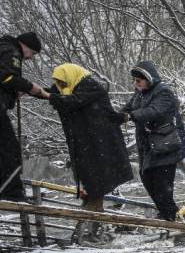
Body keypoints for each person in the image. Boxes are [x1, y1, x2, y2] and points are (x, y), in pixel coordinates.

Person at [47, 64, 132, 213]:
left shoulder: (90, 87)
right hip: (87, 141)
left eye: (62, 82)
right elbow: (58, 95)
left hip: (100, 141)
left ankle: (95, 209)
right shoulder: (74, 88)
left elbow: (72, 101)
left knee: (96, 173)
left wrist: (47, 95)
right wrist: (31, 90)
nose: (60, 86)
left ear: (71, 77)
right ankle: (92, 208)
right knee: (88, 173)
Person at [118, 61, 185, 221]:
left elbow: (153, 111)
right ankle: (168, 215)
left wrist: (131, 116)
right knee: (147, 180)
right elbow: (128, 108)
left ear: (148, 78)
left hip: (165, 146)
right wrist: (115, 116)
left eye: (138, 81)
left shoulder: (164, 92)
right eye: (134, 81)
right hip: (147, 148)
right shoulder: (139, 93)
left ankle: (171, 218)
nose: (136, 84)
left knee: (162, 187)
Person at [0, 32, 48, 200]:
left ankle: (8, 188)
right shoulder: (11, 51)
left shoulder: (4, 48)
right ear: (25, 45)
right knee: (10, 150)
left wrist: (14, 92)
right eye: (33, 54)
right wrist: (30, 87)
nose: (31, 58)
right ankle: (11, 192)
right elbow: (7, 77)